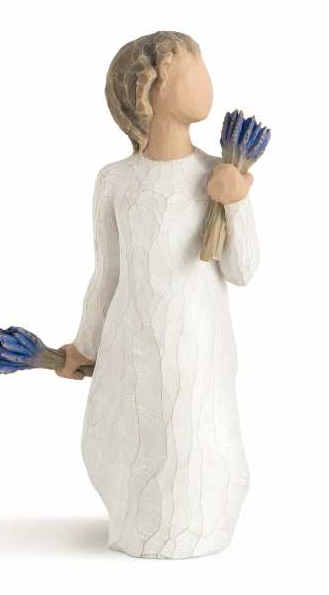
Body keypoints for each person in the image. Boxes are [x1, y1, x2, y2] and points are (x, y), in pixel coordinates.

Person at [56, 31, 259, 558]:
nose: (206, 79)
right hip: (133, 346)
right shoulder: (115, 182)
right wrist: (84, 346)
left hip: (198, 344)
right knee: (141, 432)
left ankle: (200, 525)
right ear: (150, 88)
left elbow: (242, 270)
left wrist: (235, 200)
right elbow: (107, 273)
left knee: (195, 432)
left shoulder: (217, 173)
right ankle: (141, 524)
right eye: (191, 68)